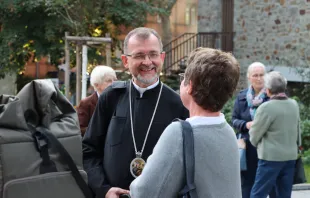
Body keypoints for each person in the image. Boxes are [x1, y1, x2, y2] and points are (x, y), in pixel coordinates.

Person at [82, 27, 188, 198]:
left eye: (153, 54)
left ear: (162, 57)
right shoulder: (111, 97)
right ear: (125, 60)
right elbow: (89, 150)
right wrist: (104, 189)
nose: (147, 62)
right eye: (139, 55)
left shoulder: (178, 104)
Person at [130, 47, 242, 198]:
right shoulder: (227, 131)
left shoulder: (179, 133)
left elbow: (145, 192)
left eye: (183, 78)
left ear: (190, 86)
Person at [249, 71, 299, 198]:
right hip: (290, 157)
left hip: (270, 158)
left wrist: (256, 144)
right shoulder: (294, 104)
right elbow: (297, 130)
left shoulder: (266, 107)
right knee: (283, 194)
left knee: (258, 194)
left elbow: (254, 135)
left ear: (268, 90)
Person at [231, 62, 270, 198]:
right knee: (247, 182)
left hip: (266, 145)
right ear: (249, 77)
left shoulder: (271, 97)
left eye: (261, 75)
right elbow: (234, 119)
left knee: (264, 183)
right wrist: (246, 125)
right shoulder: (241, 97)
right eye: (255, 75)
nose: (259, 78)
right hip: (247, 147)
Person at [76, 65, 117, 135]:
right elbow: (80, 129)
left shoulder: (119, 100)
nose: (113, 83)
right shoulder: (86, 103)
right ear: (97, 85)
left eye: (115, 80)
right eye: (109, 81)